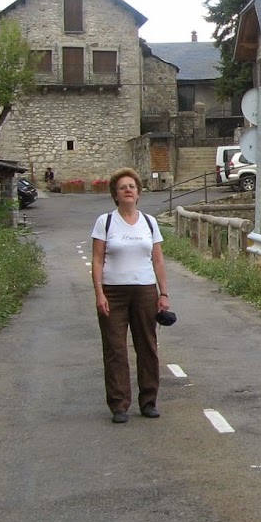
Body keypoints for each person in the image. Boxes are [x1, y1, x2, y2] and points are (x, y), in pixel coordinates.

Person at [90, 167, 170, 423]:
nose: (127, 190)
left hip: (145, 290)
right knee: (115, 348)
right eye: (122, 187)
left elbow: (158, 260)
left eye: (131, 187)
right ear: (115, 194)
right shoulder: (106, 222)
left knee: (147, 346)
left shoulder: (150, 222)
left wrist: (163, 293)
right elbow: (97, 259)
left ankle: (148, 401)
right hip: (114, 291)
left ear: (138, 194)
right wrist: (99, 293)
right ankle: (119, 404)